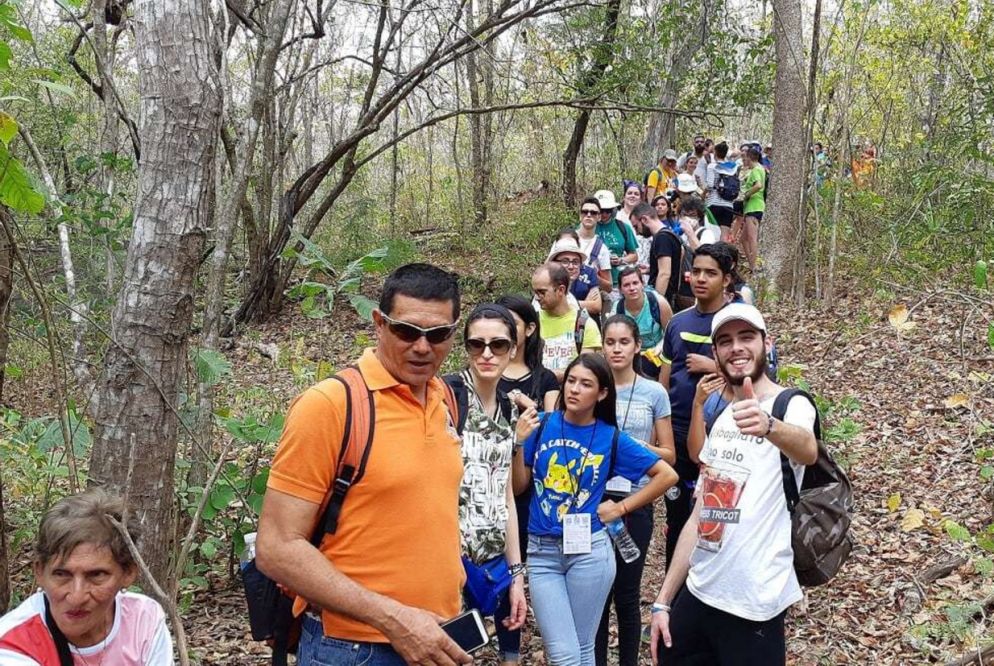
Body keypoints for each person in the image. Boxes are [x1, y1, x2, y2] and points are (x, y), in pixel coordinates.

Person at [256, 263, 472, 666]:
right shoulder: (332, 406)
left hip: (436, 639)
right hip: (352, 649)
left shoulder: (445, 399)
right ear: (379, 323)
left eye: (438, 334)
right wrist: (393, 619)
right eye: (406, 331)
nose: (422, 347)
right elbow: (276, 547)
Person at [650, 304, 818, 666]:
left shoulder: (791, 404)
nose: (736, 347)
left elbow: (807, 450)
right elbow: (701, 513)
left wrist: (769, 425)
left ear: (766, 344)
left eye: (746, 337)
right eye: (725, 341)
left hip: (754, 600)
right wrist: (664, 600)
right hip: (700, 589)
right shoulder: (725, 416)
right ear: (715, 353)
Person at [511, 354, 677, 665]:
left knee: (583, 647)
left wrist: (621, 507)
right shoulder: (542, 425)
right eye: (571, 381)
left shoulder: (609, 436)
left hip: (590, 550)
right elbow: (520, 486)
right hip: (542, 551)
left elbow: (667, 475)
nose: (574, 389)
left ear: (602, 393)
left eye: (585, 384)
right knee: (565, 653)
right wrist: (518, 444)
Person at [0, 489, 174, 665]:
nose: (77, 597)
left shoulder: (142, 621)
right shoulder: (12, 644)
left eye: (96, 575)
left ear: (128, 573)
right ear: (39, 572)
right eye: (61, 574)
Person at [446, 304, 529, 666]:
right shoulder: (448, 397)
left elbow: (505, 495)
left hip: (489, 562)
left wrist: (516, 574)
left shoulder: (509, 409)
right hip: (447, 565)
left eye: (498, 344)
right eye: (476, 344)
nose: (487, 353)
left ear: (513, 348)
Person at [595, 315, 676, 666]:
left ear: (637, 346)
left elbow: (669, 454)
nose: (616, 349)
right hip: (596, 502)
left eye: (624, 342)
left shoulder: (653, 392)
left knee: (627, 594)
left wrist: (634, 447)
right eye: (610, 342)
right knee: (597, 593)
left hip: (637, 500)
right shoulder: (595, 388)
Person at [657, 244, 731, 568]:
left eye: (710, 273)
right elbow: (665, 376)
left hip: (722, 434)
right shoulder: (677, 322)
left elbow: (757, 375)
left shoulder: (735, 322)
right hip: (678, 429)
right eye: (696, 271)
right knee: (677, 513)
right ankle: (673, 587)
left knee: (715, 513)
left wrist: (712, 366)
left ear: (726, 279)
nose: (700, 278)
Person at [532, 262, 602, 381]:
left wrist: (551, 377)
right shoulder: (533, 323)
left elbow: (588, 371)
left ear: (561, 290)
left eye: (542, 292)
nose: (537, 297)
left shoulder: (583, 323)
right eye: (535, 292)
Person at [614, 266, 672, 379]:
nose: (632, 288)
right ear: (620, 290)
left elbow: (671, 333)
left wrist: (660, 346)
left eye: (635, 283)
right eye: (626, 285)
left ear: (643, 284)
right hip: (631, 355)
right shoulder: (617, 310)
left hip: (657, 354)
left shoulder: (658, 302)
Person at [593, 190, 639, 291]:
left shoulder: (623, 227)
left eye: (608, 210)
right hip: (593, 282)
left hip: (617, 282)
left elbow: (634, 255)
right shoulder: (587, 227)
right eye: (601, 210)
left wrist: (621, 260)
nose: (604, 214)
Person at [549, 236, 602, 316]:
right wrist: (584, 304)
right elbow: (552, 306)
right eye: (565, 261)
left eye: (575, 262)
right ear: (554, 263)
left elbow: (596, 306)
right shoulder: (547, 279)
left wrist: (568, 304)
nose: (571, 266)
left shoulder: (589, 272)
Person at [576, 197, 613, 293]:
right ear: (580, 216)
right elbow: (549, 267)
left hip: (587, 296)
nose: (588, 215)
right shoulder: (566, 239)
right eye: (585, 212)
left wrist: (592, 275)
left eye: (593, 213)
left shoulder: (601, 248)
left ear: (599, 217)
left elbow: (609, 287)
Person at [739, 145, 766, 272]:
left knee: (752, 238)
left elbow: (759, 185)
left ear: (750, 158)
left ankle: (755, 267)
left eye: (745, 158)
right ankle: (751, 264)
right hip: (751, 207)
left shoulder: (756, 170)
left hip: (754, 207)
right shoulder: (760, 169)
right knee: (743, 239)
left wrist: (746, 194)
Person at [705, 142, 737, 241]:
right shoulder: (732, 167)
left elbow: (710, 185)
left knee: (712, 234)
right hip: (728, 205)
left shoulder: (712, 166)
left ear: (715, 152)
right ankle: (724, 251)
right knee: (724, 236)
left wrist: (703, 192)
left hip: (713, 203)